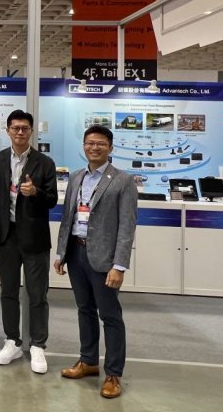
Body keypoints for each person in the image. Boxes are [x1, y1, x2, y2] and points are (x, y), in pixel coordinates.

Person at [54, 125, 137, 399]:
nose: (94, 147)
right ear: (84, 146)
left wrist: (119, 266)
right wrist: (61, 253)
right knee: (84, 310)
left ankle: (113, 374)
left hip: (104, 260)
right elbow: (68, 218)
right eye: (90, 143)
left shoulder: (123, 180)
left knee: (110, 316)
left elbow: (127, 227)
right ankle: (88, 361)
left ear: (110, 147)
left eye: (100, 143)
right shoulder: (76, 177)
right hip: (76, 254)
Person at [0, 110, 58, 374]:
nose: (20, 132)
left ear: (31, 131)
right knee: (8, 291)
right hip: (6, 237)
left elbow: (52, 200)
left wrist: (35, 192)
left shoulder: (44, 162)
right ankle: (12, 341)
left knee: (37, 293)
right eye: (15, 128)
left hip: (35, 237)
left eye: (25, 128)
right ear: (8, 130)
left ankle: (38, 344)